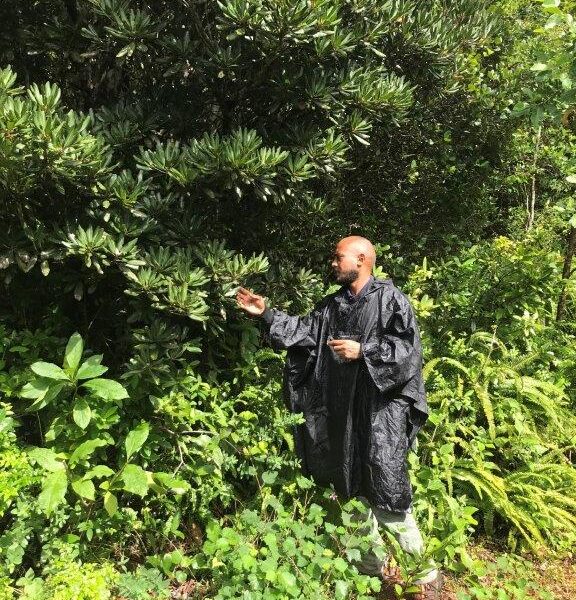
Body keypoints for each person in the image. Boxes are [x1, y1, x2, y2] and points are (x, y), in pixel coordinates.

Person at [236, 236, 442, 600]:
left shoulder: (391, 301)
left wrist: (364, 351)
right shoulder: (331, 307)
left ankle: (423, 577)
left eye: (338, 256)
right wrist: (266, 313)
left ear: (361, 259)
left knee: (388, 493)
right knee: (351, 490)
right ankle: (372, 573)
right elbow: (303, 333)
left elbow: (408, 353)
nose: (332, 262)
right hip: (342, 414)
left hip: (381, 415)